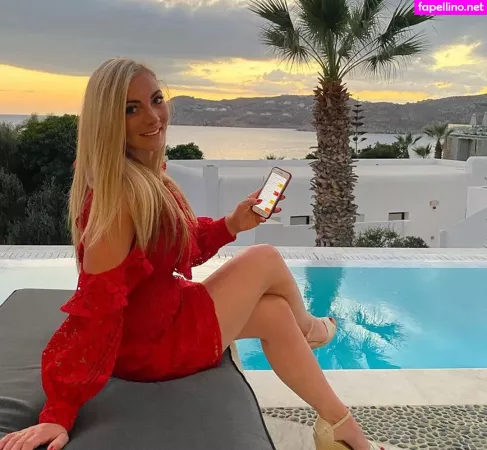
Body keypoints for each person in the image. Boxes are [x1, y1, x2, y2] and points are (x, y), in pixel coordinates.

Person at [0, 58, 383, 450]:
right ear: (107, 122)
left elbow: (177, 246)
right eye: (131, 109)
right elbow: (96, 311)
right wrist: (58, 412)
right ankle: (311, 330)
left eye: (156, 100)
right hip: (150, 347)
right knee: (265, 258)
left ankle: (340, 425)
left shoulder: (145, 177)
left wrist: (232, 223)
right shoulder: (117, 201)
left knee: (275, 313)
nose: (153, 117)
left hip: (166, 315)